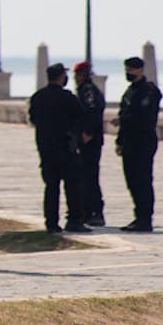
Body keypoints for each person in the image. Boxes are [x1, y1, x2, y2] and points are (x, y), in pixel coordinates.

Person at [28, 63, 92, 234]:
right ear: (61, 77)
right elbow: (82, 116)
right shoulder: (67, 97)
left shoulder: (38, 97)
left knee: (51, 187)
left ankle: (51, 223)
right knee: (73, 186)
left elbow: (33, 119)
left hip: (46, 148)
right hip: (66, 148)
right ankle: (74, 221)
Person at [113, 57, 162, 232]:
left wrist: (123, 120)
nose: (129, 73)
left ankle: (145, 219)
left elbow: (143, 116)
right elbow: (125, 113)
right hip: (129, 141)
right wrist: (119, 141)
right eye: (127, 69)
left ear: (141, 70)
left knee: (143, 180)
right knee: (132, 181)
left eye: (132, 69)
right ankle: (138, 216)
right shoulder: (129, 92)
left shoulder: (149, 91)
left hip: (143, 141)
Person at [74, 61, 107, 226]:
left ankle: (95, 211)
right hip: (87, 139)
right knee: (85, 176)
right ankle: (87, 210)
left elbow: (93, 112)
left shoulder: (88, 91)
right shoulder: (85, 90)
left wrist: (88, 132)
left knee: (89, 175)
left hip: (90, 141)